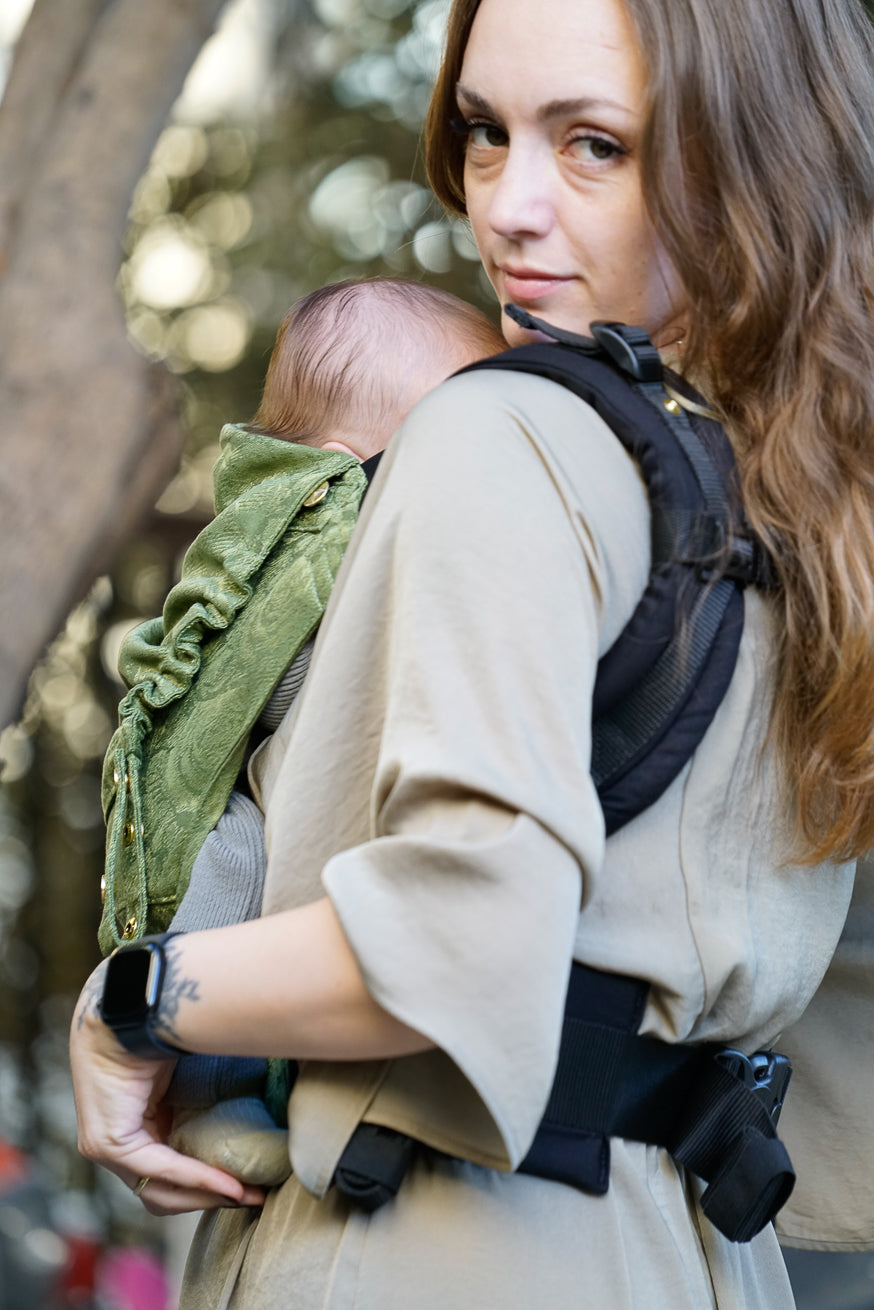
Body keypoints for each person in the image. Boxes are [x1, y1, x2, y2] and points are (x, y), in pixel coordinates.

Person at [70, 0, 874, 1306]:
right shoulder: (810, 514)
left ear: (753, 159)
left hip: (430, 1240)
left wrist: (137, 998)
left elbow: (452, 942)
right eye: (487, 133)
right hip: (694, 1255)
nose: (501, 205)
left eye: (594, 144)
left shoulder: (499, 435)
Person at [97, 276, 506, 1187]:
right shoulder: (315, 524)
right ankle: (208, 1090)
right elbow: (272, 683)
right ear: (350, 456)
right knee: (234, 868)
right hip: (228, 806)